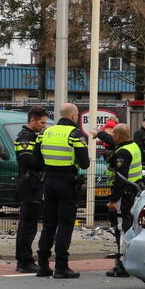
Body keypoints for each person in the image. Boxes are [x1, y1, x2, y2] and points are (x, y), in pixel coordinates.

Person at [34, 102, 90, 279]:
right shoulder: (74, 134)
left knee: (48, 224)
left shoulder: (45, 132)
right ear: (74, 116)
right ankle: (61, 267)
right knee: (65, 225)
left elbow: (36, 159)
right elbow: (84, 163)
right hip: (66, 183)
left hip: (48, 182)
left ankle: (42, 266)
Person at [104, 123, 142, 278]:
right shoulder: (133, 146)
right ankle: (127, 262)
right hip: (132, 192)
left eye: (113, 135)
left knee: (121, 228)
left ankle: (122, 265)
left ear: (118, 137)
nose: (112, 137)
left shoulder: (123, 153)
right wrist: (99, 134)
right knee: (128, 226)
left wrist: (113, 200)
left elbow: (121, 179)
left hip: (124, 195)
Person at [13, 106, 48, 273]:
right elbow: (29, 161)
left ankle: (24, 259)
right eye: (41, 122)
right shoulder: (25, 138)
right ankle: (24, 260)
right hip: (29, 184)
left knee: (29, 224)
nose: (44, 126)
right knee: (27, 225)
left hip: (33, 183)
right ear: (32, 120)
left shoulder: (33, 136)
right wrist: (44, 161)